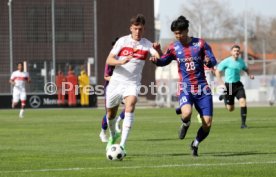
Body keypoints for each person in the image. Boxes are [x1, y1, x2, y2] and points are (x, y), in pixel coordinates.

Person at [150, 15, 217, 157]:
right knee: (186, 113)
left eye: (180, 33)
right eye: (175, 33)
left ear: (187, 31)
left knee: (207, 123)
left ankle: (195, 143)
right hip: (186, 88)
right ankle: (185, 124)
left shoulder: (200, 44)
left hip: (203, 89)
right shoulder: (174, 47)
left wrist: (208, 62)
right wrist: (156, 60)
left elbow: (213, 59)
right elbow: (164, 61)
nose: (178, 36)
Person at [105, 14, 160, 155]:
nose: (137, 32)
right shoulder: (122, 41)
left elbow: (158, 57)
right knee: (110, 114)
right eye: (135, 28)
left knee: (131, 103)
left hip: (132, 83)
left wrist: (156, 54)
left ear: (144, 29)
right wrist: (120, 62)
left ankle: (122, 145)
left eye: (140, 29)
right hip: (116, 82)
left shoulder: (147, 44)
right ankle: (113, 135)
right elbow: (109, 60)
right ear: (131, 28)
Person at [215, 44, 254, 128]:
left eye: (238, 51)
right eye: (235, 51)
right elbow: (217, 71)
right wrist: (221, 83)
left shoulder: (241, 61)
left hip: (238, 85)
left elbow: (246, 69)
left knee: (243, 101)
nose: (236, 52)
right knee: (230, 109)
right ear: (231, 52)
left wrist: (250, 74)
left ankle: (243, 124)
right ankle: (225, 97)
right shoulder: (226, 61)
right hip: (228, 86)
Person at [99, 37, 126, 143]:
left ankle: (118, 121)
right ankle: (103, 132)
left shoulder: (126, 58)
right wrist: (117, 80)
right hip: (111, 88)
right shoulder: (111, 60)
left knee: (129, 106)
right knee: (109, 114)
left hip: (123, 88)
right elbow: (106, 76)